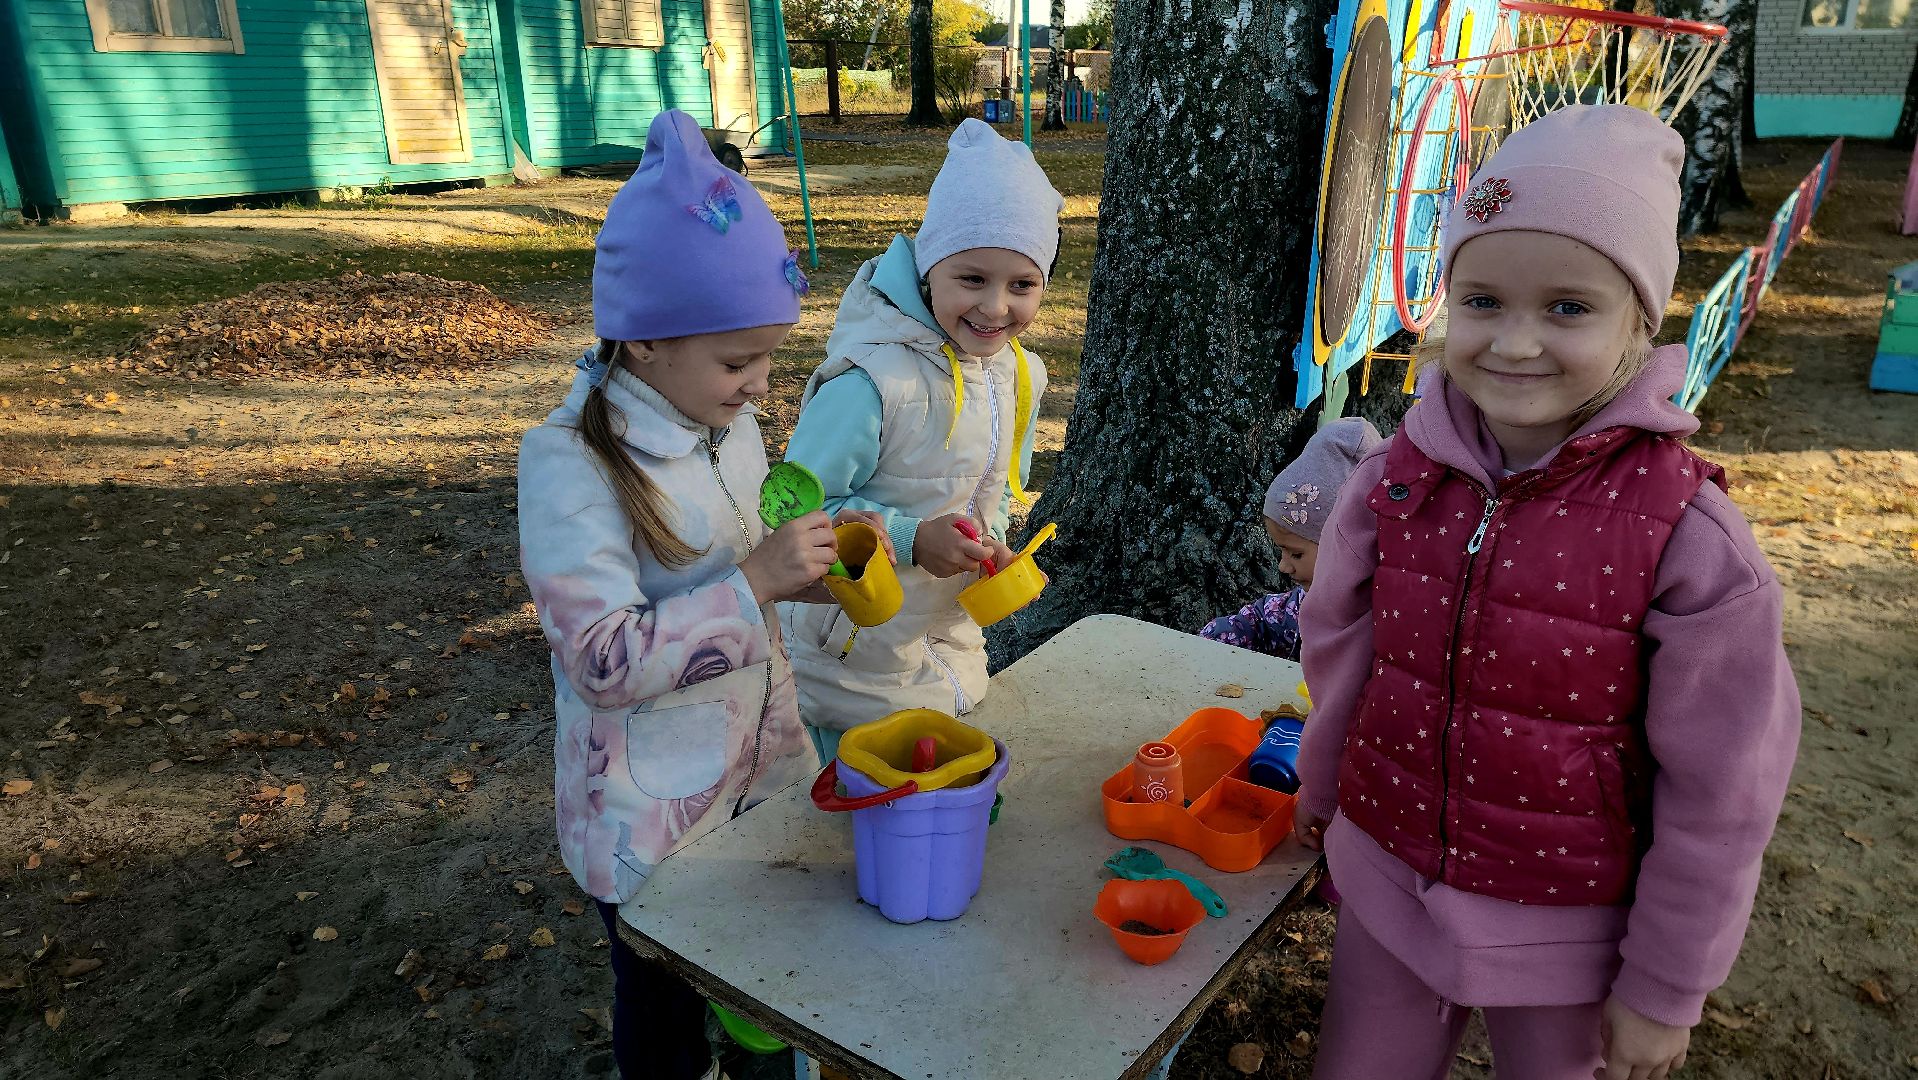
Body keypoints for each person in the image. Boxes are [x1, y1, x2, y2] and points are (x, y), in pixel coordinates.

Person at [1293, 105, 1801, 1080]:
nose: (1514, 343)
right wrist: (1324, 792)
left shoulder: (1687, 537)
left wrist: (1664, 985)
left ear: (1638, 321)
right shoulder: (1395, 480)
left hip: (1573, 929)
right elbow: (1339, 649)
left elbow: (1725, 786)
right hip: (1392, 879)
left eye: (1566, 308)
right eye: (1481, 301)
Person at [518, 109, 883, 1080]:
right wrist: (753, 580)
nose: (762, 386)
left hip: (750, 781)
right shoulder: (570, 465)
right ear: (640, 344)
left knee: (763, 985)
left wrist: (815, 575)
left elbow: (748, 578)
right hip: (646, 815)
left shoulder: (724, 422)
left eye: (767, 356)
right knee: (665, 1003)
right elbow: (601, 660)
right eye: (738, 362)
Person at [781, 118, 1063, 763]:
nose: (996, 308)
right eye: (972, 279)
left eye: (1022, 285)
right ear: (927, 269)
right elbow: (792, 512)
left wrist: (987, 545)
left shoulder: (1018, 373)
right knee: (850, 838)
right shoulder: (869, 383)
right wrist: (911, 537)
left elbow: (985, 491)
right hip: (853, 660)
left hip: (949, 649)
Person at [1200, 418, 1383, 659]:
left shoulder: (1383, 619)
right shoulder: (1303, 604)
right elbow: (1260, 622)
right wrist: (1205, 645)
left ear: (1346, 546)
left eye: (1296, 553)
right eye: (1282, 552)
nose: (1283, 566)